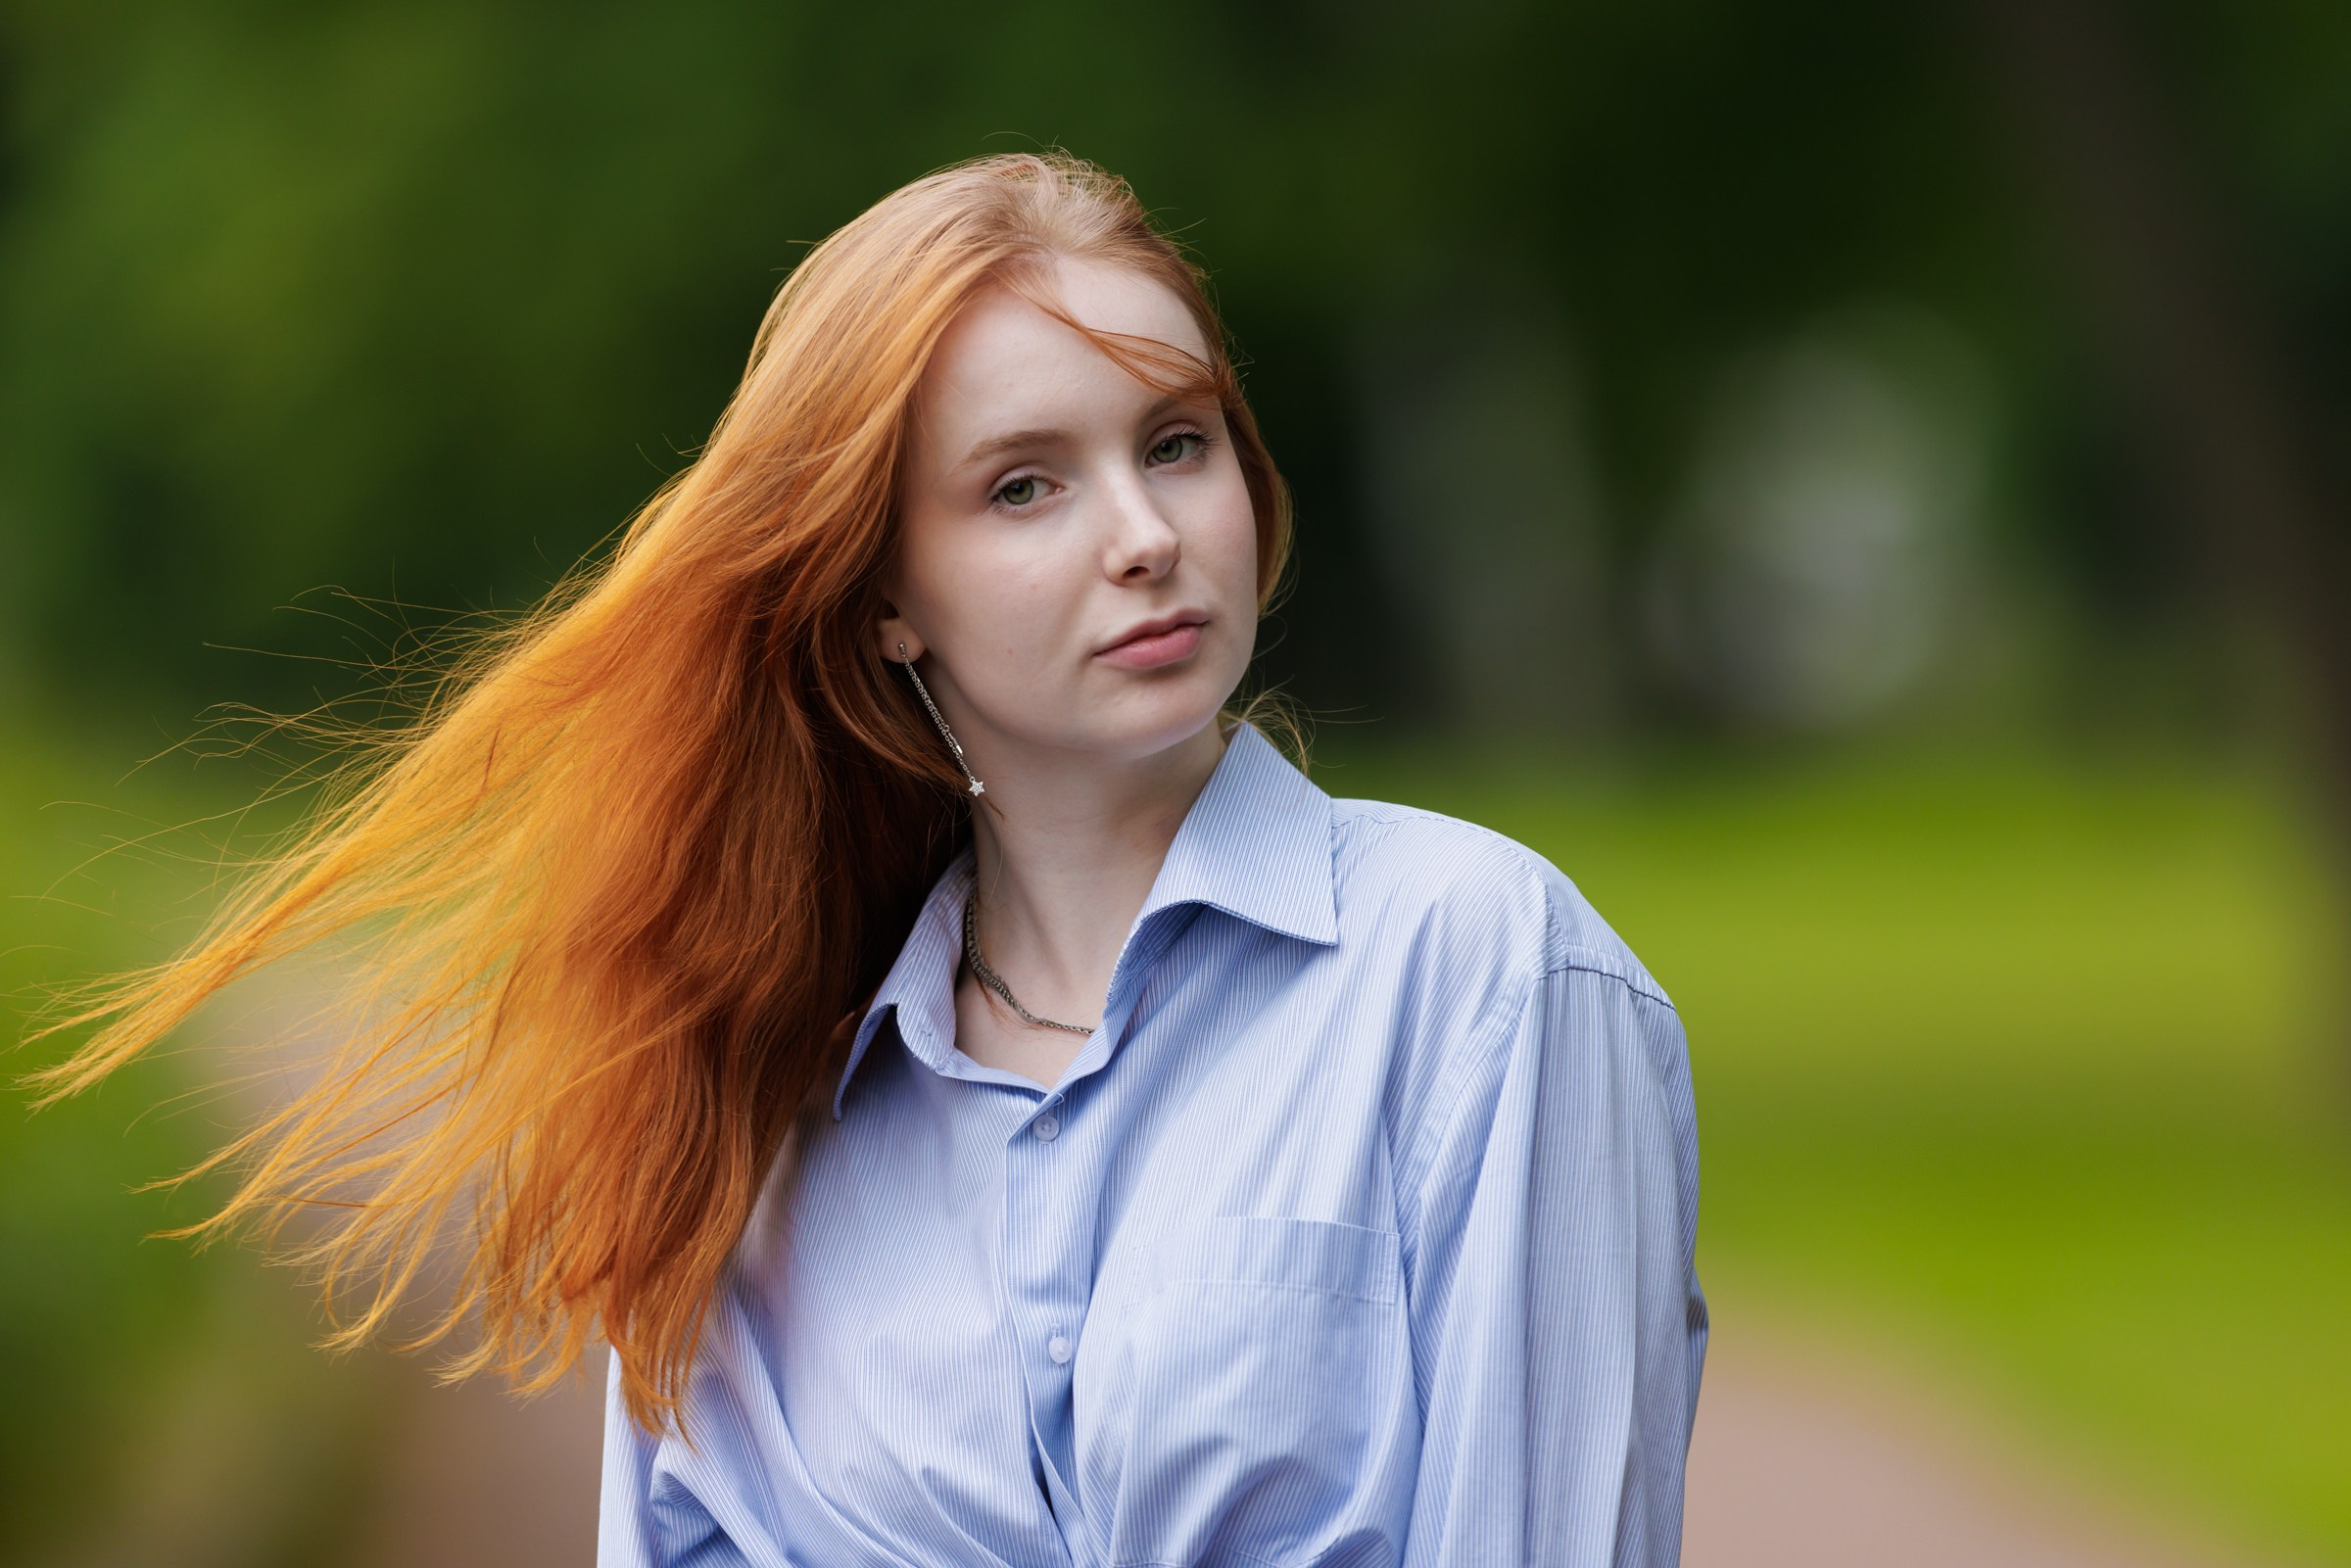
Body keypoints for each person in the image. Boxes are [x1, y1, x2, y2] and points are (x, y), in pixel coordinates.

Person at [39, 153, 1704, 1566]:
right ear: (886, 591)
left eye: (1175, 442)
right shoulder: (757, 1116)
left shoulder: (1479, 966)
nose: (1142, 534)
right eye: (1025, 485)